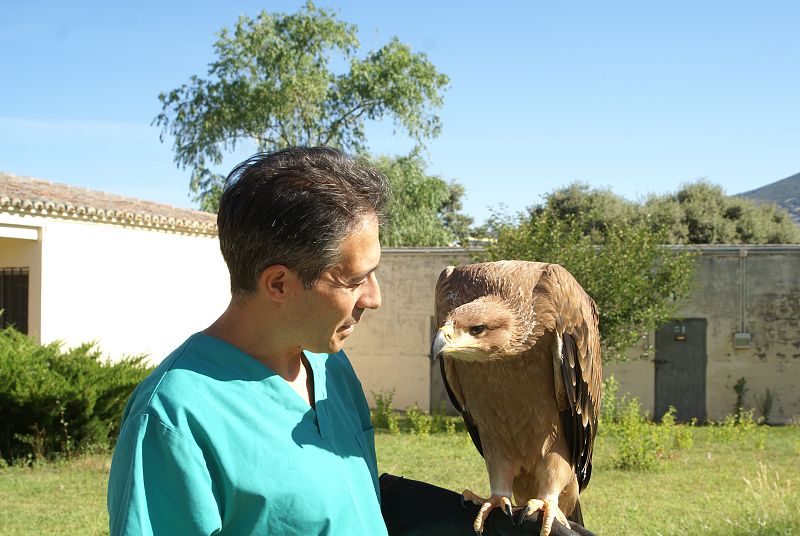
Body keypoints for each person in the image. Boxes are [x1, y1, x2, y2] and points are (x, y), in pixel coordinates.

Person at [107, 147, 591, 536]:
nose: (374, 298)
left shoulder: (330, 368)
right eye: (356, 280)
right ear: (279, 284)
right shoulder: (173, 419)